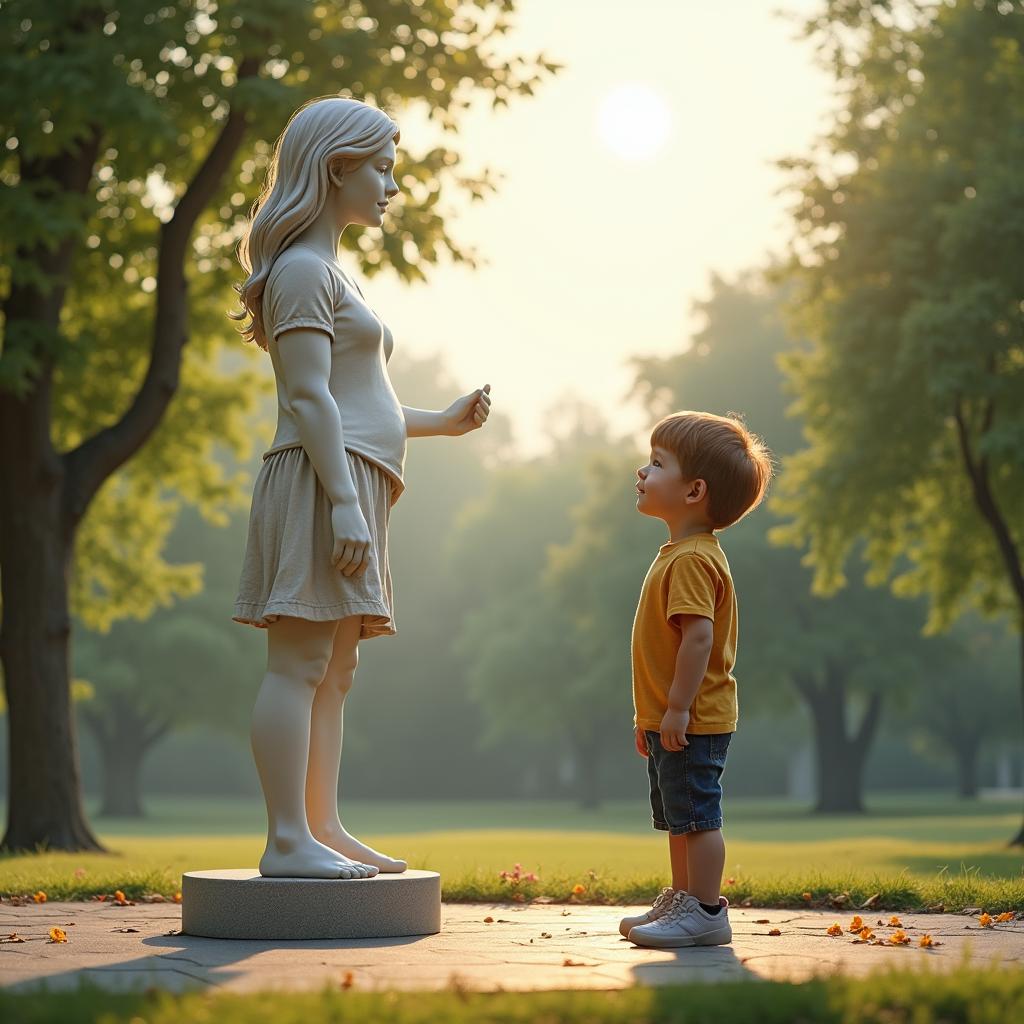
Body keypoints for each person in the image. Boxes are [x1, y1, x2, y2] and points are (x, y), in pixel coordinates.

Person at [230, 96, 491, 879]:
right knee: (299, 665)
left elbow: (357, 398)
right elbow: (308, 400)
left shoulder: (328, 272)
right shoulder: (305, 272)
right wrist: (342, 500)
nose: (391, 185)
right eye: (380, 168)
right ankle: (286, 843)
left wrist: (439, 424)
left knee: (335, 671)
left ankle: (322, 828)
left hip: (348, 478)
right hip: (321, 481)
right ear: (335, 166)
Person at [620, 411, 772, 946]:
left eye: (658, 463)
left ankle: (706, 912)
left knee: (699, 817)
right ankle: (682, 899)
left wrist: (679, 709)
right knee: (678, 818)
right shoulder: (682, 554)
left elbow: (698, 639)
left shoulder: (692, 560)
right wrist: (654, 716)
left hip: (693, 716)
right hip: (673, 717)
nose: (642, 470)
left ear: (694, 491)